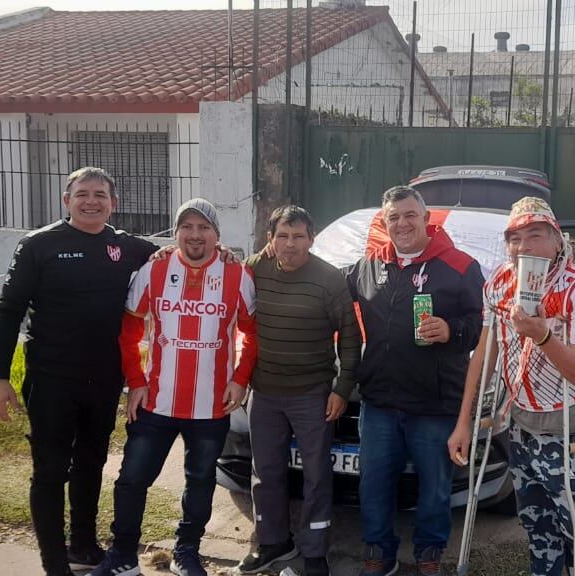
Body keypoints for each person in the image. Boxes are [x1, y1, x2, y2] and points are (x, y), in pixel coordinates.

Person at [0, 166, 159, 576]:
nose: (91, 201)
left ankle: (83, 546)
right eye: (82, 194)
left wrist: (217, 251)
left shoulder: (127, 247)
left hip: (103, 380)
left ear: (113, 204)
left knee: (91, 462)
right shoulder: (38, 245)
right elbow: (9, 312)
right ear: (67, 201)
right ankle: (54, 565)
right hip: (51, 379)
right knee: (50, 471)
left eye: (100, 195)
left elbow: (180, 253)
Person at [91, 198, 258, 576]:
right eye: (187, 227)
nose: (195, 235)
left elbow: (253, 334)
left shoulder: (237, 275)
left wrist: (239, 378)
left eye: (204, 228)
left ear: (217, 235)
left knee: (199, 483)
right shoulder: (155, 269)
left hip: (211, 407)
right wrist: (135, 381)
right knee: (132, 479)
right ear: (176, 232)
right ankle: (123, 557)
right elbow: (129, 329)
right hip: (155, 403)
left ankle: (187, 552)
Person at [447, 197, 575, 576]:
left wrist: (542, 337)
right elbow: (483, 357)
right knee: (537, 526)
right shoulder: (500, 282)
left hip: (572, 426)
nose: (524, 246)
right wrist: (464, 421)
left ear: (556, 240)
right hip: (522, 423)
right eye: (515, 238)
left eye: (535, 235)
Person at [348, 186, 484, 576]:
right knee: (373, 484)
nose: (402, 223)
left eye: (410, 215)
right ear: (385, 222)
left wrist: (453, 330)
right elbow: (326, 291)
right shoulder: (369, 265)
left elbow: (482, 327)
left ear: (426, 220)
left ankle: (429, 554)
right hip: (380, 401)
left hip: (435, 403)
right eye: (394, 217)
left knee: (436, 489)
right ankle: (378, 551)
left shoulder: (460, 266)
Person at [234, 205, 360, 576]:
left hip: (312, 394)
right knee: (266, 472)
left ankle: (314, 551)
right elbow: (223, 270)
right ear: (270, 239)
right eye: (283, 236)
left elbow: (350, 337)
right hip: (265, 393)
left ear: (312, 238)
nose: (291, 244)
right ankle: (273, 542)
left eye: (299, 236)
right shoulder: (255, 268)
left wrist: (342, 387)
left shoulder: (329, 278)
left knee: (317, 475)